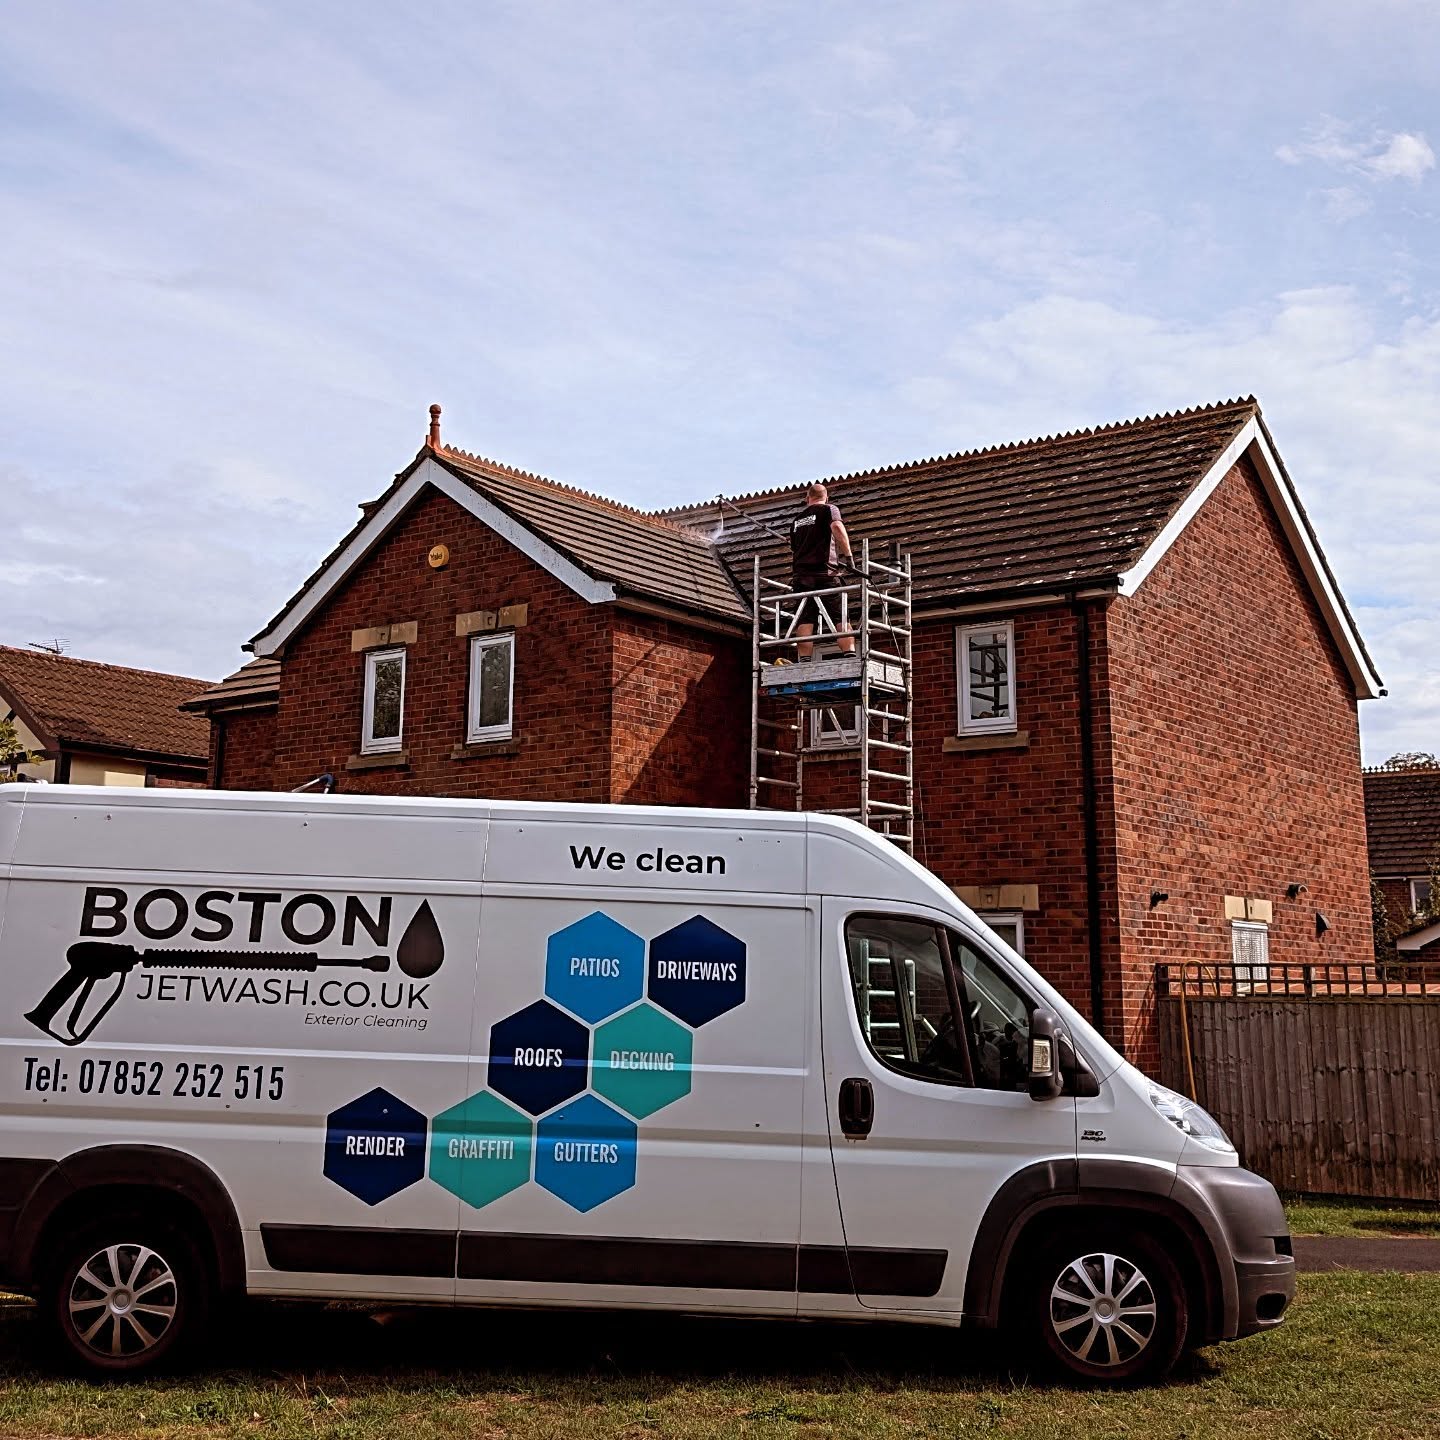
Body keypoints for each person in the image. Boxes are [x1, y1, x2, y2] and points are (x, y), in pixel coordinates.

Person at [789, 482, 856, 659]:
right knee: (840, 617)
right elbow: (837, 527)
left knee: (805, 618)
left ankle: (804, 659)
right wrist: (849, 557)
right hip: (825, 573)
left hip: (802, 578)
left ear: (807, 498)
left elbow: (795, 548)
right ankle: (849, 654)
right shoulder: (829, 509)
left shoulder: (796, 521)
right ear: (827, 497)